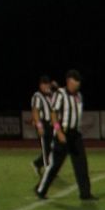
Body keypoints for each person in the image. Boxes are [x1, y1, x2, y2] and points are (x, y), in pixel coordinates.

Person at [34, 68, 92, 199]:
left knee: (81, 164)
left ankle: (85, 194)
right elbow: (54, 113)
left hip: (75, 134)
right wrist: (58, 131)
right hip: (63, 133)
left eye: (78, 83)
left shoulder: (79, 95)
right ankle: (40, 190)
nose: (77, 85)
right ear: (68, 82)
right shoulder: (60, 94)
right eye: (74, 83)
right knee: (54, 166)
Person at [29, 74, 56, 176]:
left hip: (52, 124)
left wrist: (57, 127)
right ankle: (47, 169)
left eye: (47, 84)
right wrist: (39, 126)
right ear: (40, 85)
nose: (46, 86)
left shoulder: (51, 94)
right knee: (46, 148)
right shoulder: (37, 96)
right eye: (44, 84)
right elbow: (35, 112)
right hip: (42, 123)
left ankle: (36, 164)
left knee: (52, 148)